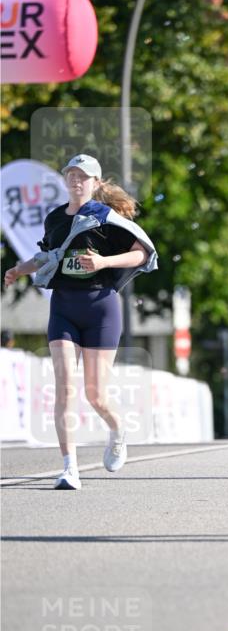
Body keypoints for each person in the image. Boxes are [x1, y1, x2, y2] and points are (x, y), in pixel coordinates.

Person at [3, 154, 157, 490]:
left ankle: (117, 430)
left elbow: (142, 253)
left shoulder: (107, 218)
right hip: (63, 308)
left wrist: (103, 262)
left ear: (96, 183)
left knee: (95, 394)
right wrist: (19, 269)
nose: (76, 181)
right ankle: (69, 467)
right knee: (64, 388)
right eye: (71, 175)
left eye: (83, 176)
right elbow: (48, 256)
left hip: (101, 308)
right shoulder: (55, 218)